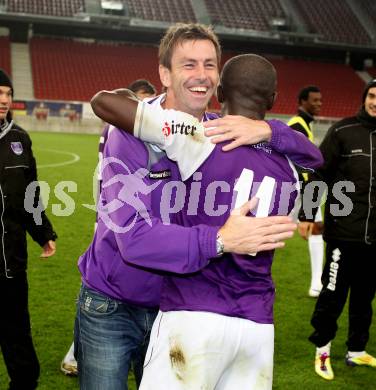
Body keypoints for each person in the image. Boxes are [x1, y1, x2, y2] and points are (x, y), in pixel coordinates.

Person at [76, 23, 313, 390]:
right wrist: (219, 239)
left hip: (180, 306)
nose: (201, 75)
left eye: (209, 64)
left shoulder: (219, 131)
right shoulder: (132, 131)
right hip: (116, 301)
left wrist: (269, 131)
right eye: (189, 65)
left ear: (220, 78)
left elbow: (313, 155)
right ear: (164, 74)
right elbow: (133, 239)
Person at [60, 83, 157, 377]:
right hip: (115, 222)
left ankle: (76, 351)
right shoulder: (116, 133)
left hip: (117, 222)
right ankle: (76, 351)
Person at [298, 79, 376, 381]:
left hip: (374, 239)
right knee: (333, 294)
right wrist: (306, 214)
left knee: (364, 297)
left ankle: (357, 350)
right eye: (371, 96)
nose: (374, 102)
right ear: (364, 97)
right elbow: (319, 174)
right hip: (344, 234)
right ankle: (323, 350)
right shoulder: (342, 131)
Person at [0, 68, 57, 389]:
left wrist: (43, 233)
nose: (4, 100)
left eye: (7, 94)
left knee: (17, 331)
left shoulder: (19, 138)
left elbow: (30, 192)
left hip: (11, 259)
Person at [288, 85, 324, 298]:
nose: (319, 103)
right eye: (315, 100)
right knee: (270, 234)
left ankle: (316, 283)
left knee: (317, 229)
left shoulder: (303, 125)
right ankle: (316, 283)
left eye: (320, 100)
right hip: (297, 191)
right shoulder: (298, 125)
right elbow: (301, 167)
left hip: (299, 190)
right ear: (302, 102)